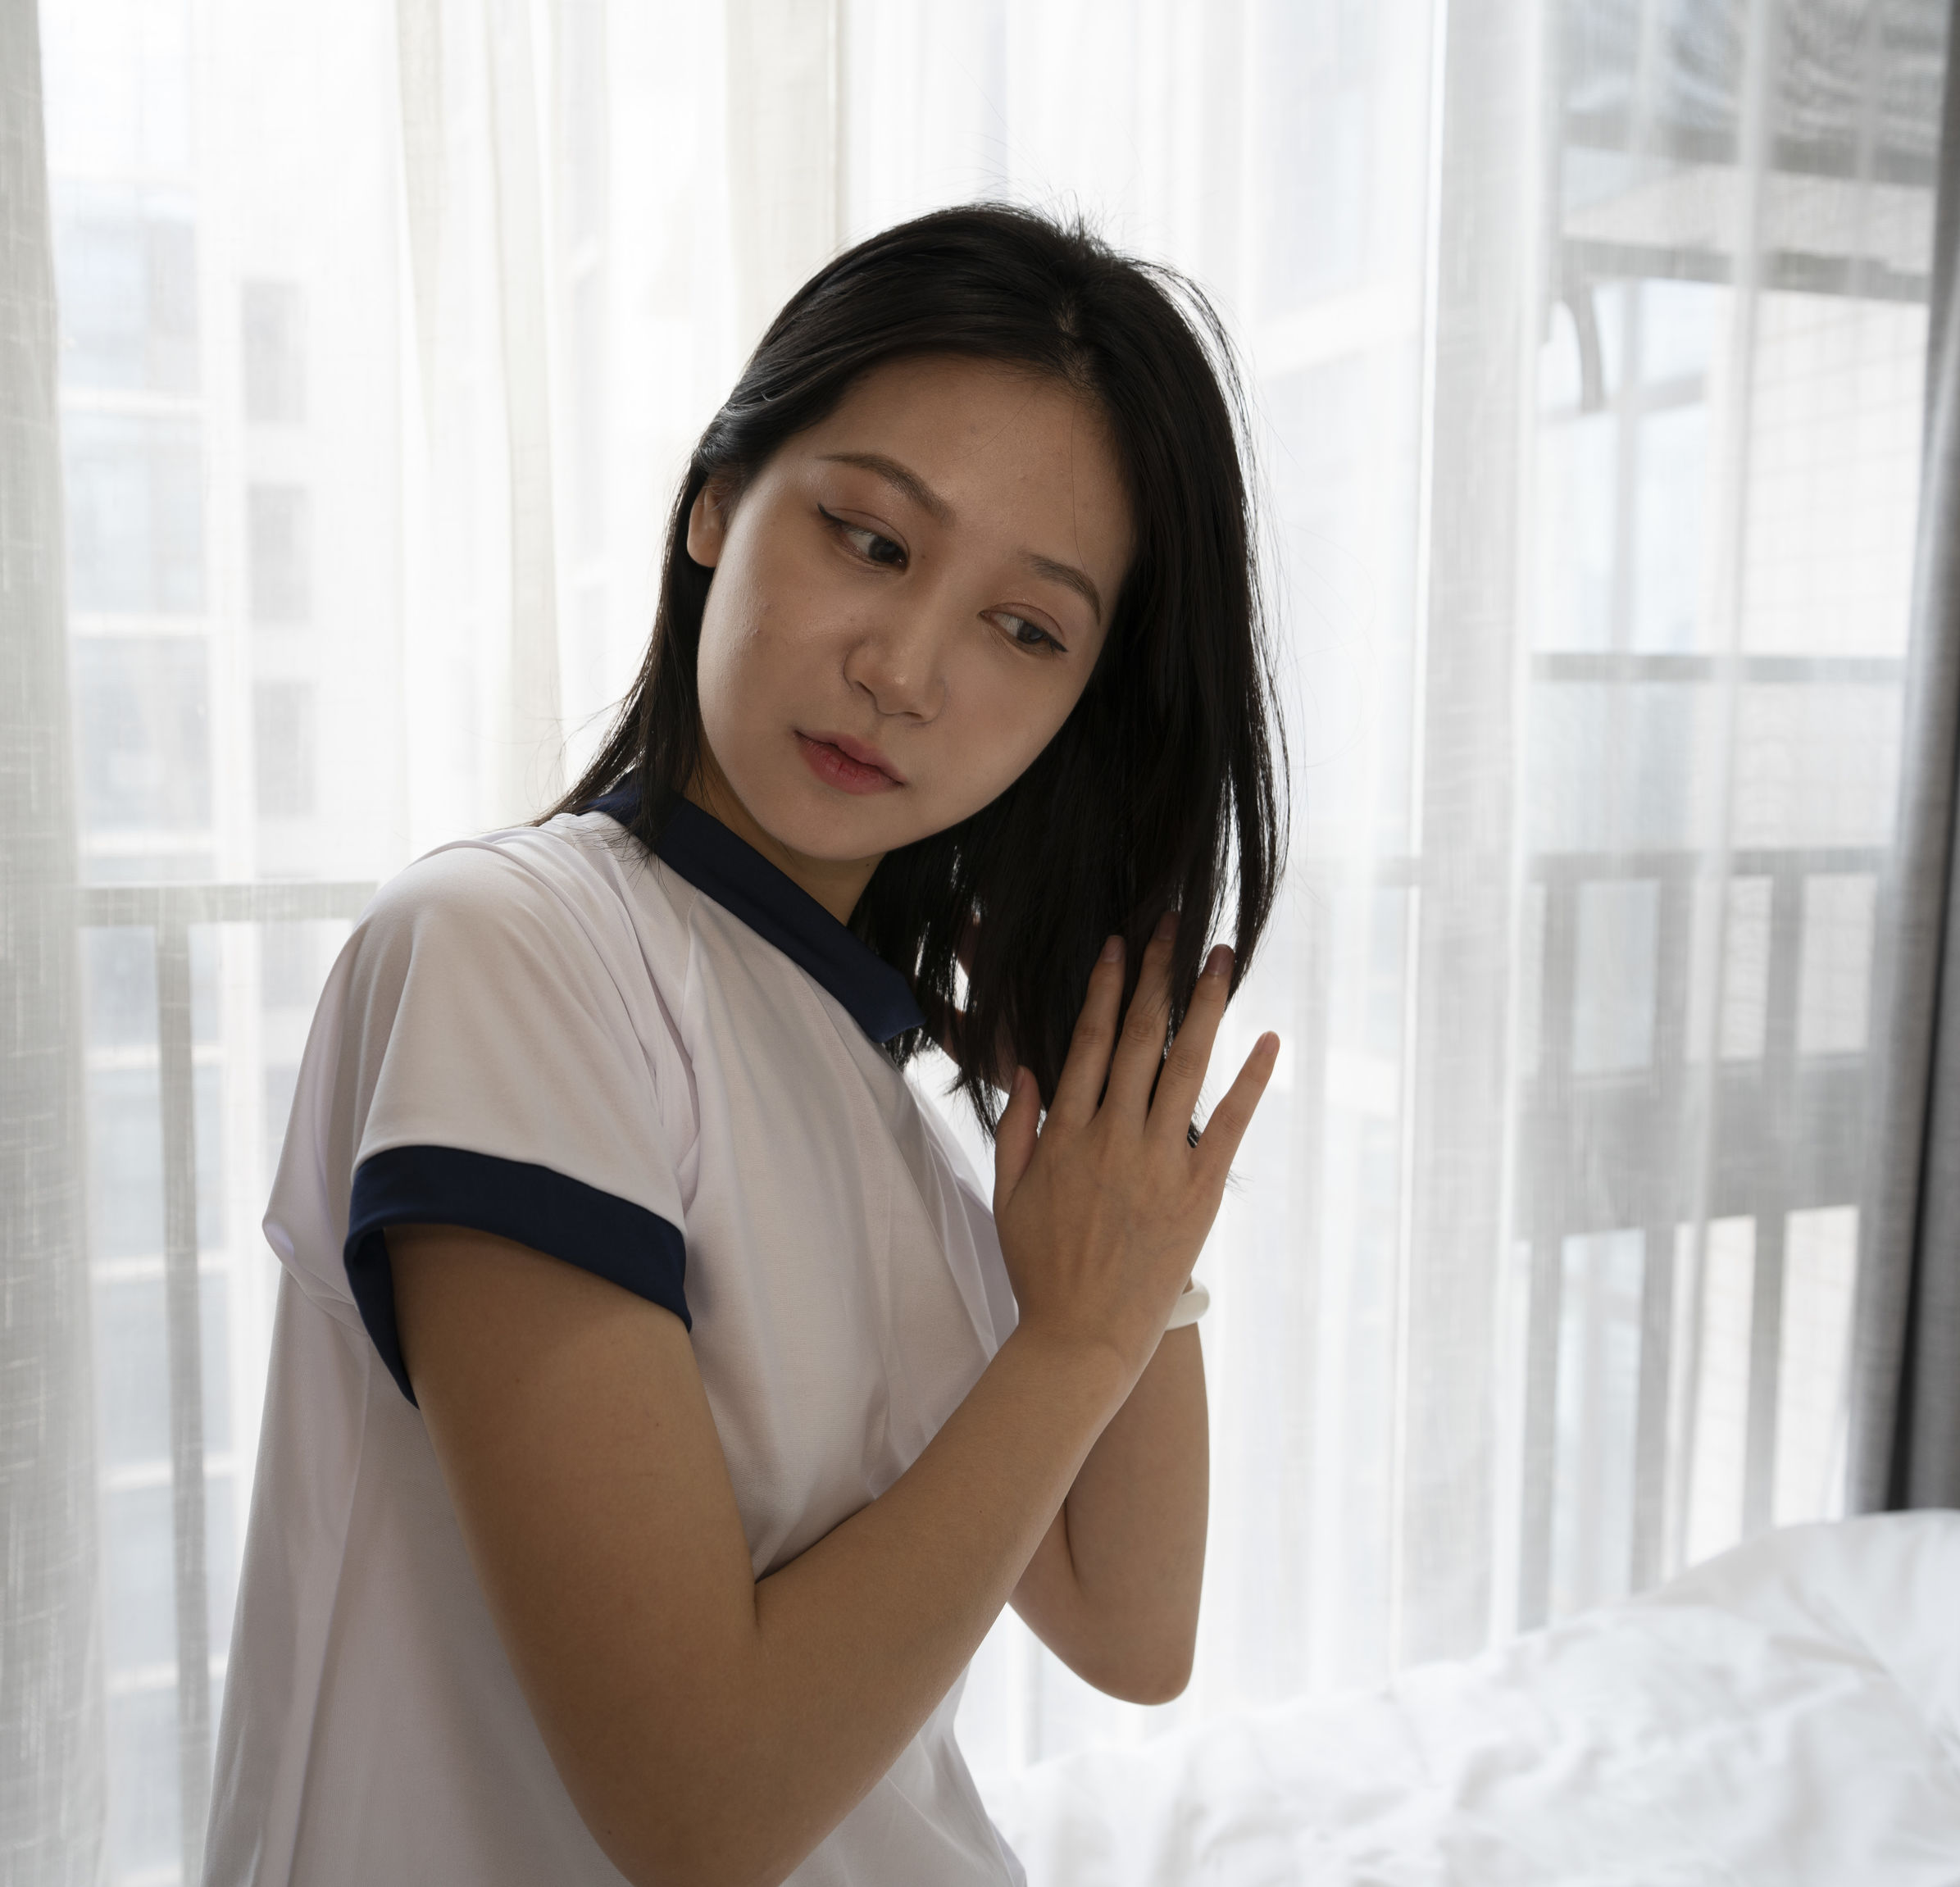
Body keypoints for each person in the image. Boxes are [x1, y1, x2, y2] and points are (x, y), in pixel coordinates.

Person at [204, 202, 1286, 1887]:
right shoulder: (511, 946)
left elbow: (1134, 1624)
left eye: (1026, 630)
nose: (904, 671)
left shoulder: (886, 1088)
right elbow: (697, 1810)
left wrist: (1120, 1211)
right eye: (870, 538)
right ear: (717, 496)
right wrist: (1077, 1331)